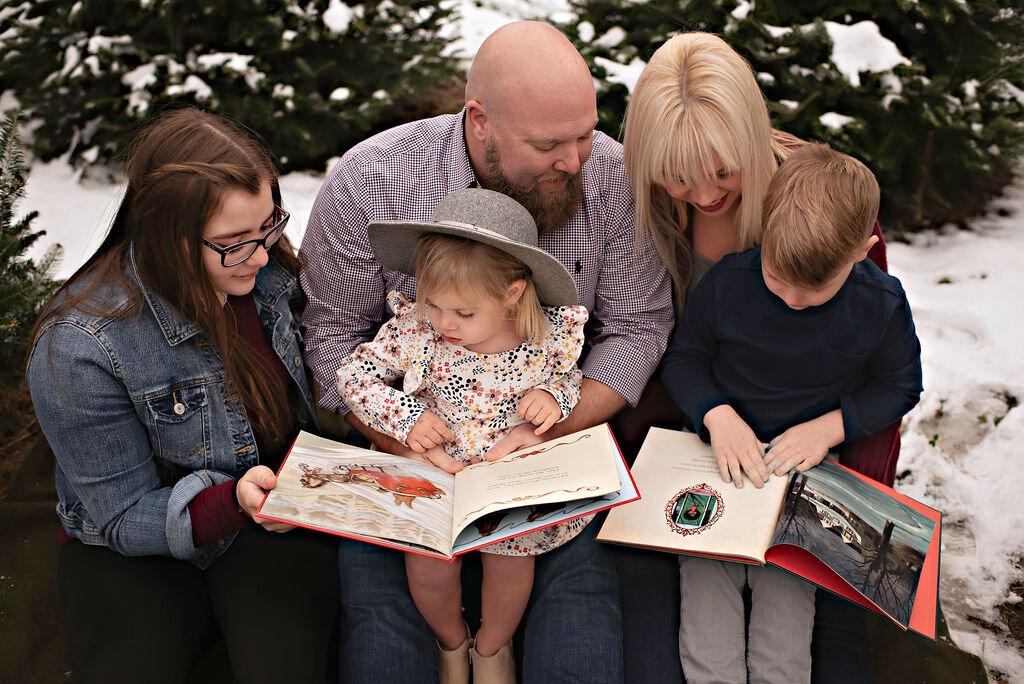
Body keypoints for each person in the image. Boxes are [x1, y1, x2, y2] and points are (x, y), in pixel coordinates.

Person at [300, 19, 673, 684]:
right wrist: (401, 437)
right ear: (479, 121)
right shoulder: (368, 181)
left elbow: (638, 327)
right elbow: (333, 340)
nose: (576, 160)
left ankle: (493, 650)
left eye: (586, 133)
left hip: (547, 459)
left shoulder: (613, 179)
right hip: (411, 455)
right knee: (384, 614)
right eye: (548, 144)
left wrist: (549, 425)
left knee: (582, 602)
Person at [26, 108, 338, 684]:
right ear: (165, 235)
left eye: (269, 226)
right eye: (233, 243)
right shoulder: (79, 345)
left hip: (267, 522)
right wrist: (229, 502)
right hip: (140, 544)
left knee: (286, 658)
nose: (263, 255)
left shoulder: (266, 278)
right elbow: (119, 516)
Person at [661, 142, 923, 684]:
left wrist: (832, 427)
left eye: (815, 290)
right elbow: (683, 360)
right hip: (718, 463)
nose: (792, 300)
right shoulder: (729, 283)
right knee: (707, 584)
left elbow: (900, 386)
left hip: (805, 483)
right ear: (766, 234)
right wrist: (716, 414)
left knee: (787, 600)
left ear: (863, 250)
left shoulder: (881, 304)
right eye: (778, 277)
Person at [338, 188, 592, 683]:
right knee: (429, 567)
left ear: (513, 293)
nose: (445, 324)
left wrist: (554, 401)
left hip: (505, 477)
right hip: (435, 471)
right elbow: (353, 375)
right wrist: (405, 416)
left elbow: (570, 379)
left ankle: (492, 648)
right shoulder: (417, 330)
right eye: (434, 305)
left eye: (464, 314)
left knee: (511, 567)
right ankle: (450, 641)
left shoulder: (544, 337)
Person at [620, 31, 898, 484]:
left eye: (724, 171)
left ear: (749, 136)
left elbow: (878, 365)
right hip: (682, 444)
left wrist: (862, 489)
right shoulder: (639, 208)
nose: (706, 195)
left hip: (804, 453)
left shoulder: (823, 205)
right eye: (678, 177)